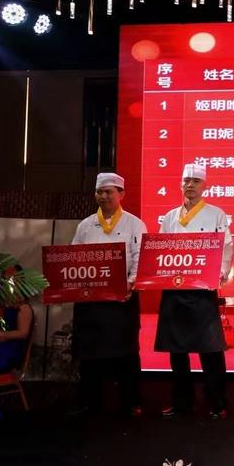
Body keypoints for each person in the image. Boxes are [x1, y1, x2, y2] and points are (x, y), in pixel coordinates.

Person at [155, 163, 234, 420]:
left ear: (205, 186)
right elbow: (160, 249)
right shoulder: (169, 217)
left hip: (202, 291)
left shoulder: (216, 214)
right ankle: (182, 403)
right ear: (180, 184)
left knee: (210, 350)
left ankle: (217, 403)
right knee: (177, 352)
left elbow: (226, 247)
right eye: (186, 180)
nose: (190, 185)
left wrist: (220, 273)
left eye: (195, 181)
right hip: (175, 290)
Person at [69, 172, 148, 418]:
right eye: (99, 192)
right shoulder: (85, 225)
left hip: (122, 299)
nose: (103, 196)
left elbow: (140, 257)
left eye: (109, 192)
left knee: (126, 352)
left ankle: (131, 402)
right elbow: (73, 257)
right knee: (89, 353)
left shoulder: (135, 224)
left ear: (121, 194)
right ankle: (90, 403)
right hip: (90, 300)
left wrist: (130, 284)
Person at [0, 301, 33, 419]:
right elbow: (6, 329)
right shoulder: (8, 305)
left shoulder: (24, 308)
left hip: (11, 353)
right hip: (3, 348)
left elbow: (23, 333)